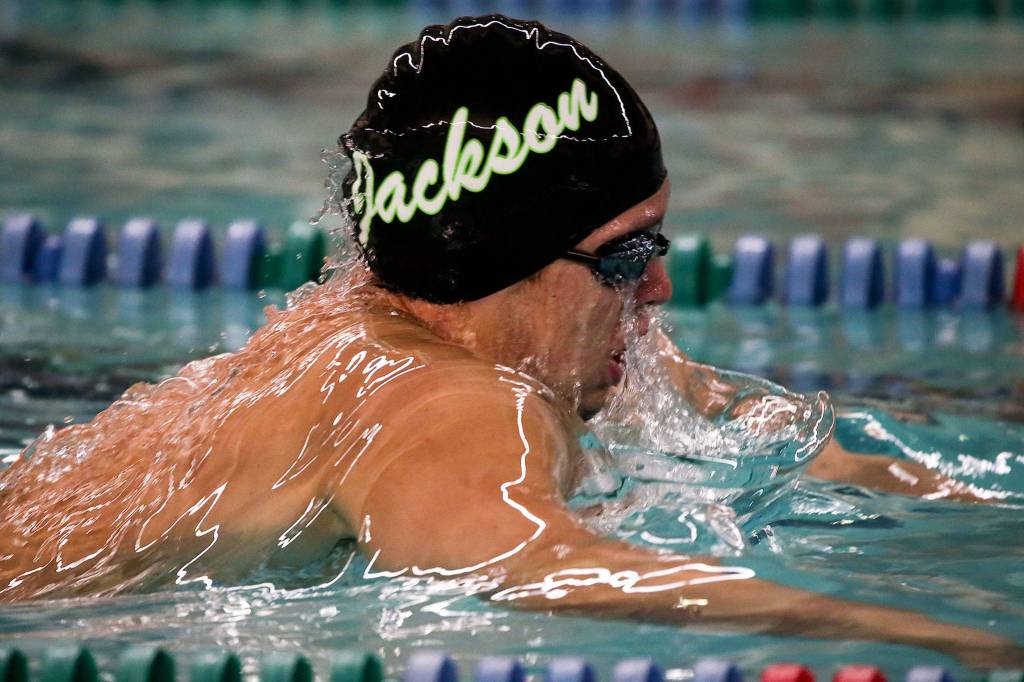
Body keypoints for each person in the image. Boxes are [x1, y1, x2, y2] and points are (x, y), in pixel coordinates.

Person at [0, 15, 1018, 667]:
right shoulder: (445, 402)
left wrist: (977, 513)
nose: (658, 288)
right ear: (498, 257)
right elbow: (543, 569)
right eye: (625, 257)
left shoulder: (445, 324)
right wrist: (939, 638)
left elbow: (765, 426)